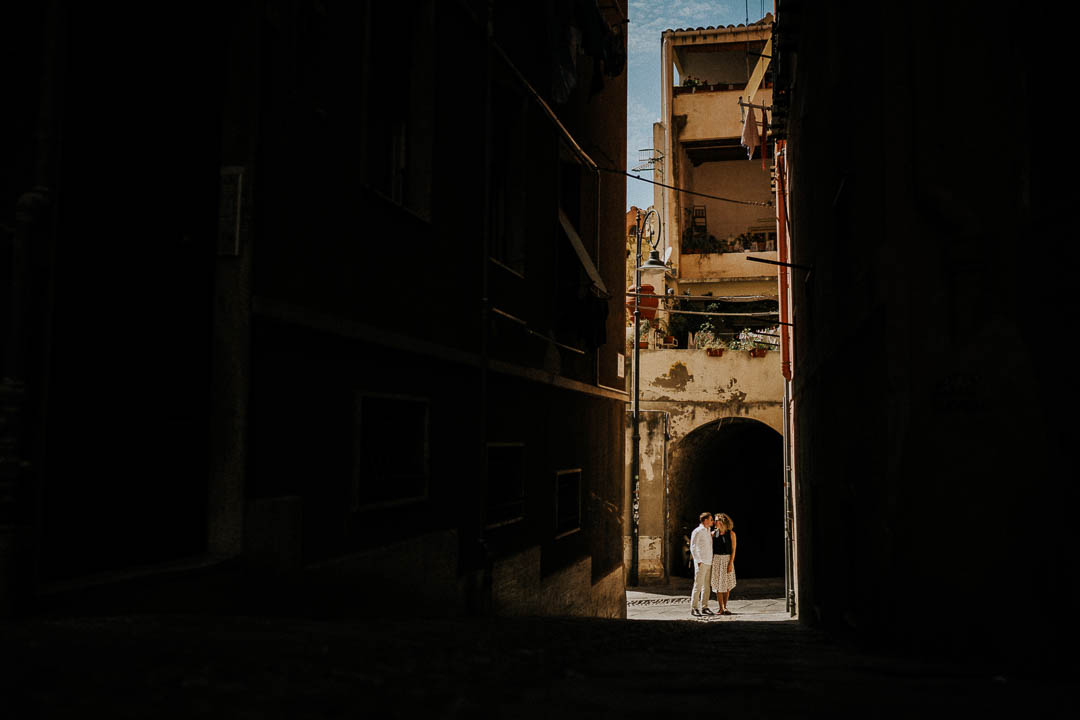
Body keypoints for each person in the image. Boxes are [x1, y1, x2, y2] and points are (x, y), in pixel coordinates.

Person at [689, 512, 714, 617]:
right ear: (705, 520)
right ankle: (694, 607)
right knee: (698, 585)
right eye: (711, 519)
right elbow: (693, 547)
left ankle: (705, 606)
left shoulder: (708, 531)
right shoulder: (697, 531)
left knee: (706, 586)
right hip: (701, 562)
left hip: (708, 561)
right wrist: (698, 561)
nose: (712, 521)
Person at [711, 513, 737, 615]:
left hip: (727, 559)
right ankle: (720, 608)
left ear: (722, 522)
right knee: (718, 585)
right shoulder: (713, 534)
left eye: (717, 520)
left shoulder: (731, 534)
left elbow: (733, 550)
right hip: (716, 559)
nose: (715, 522)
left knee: (726, 584)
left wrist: (731, 563)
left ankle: (725, 607)